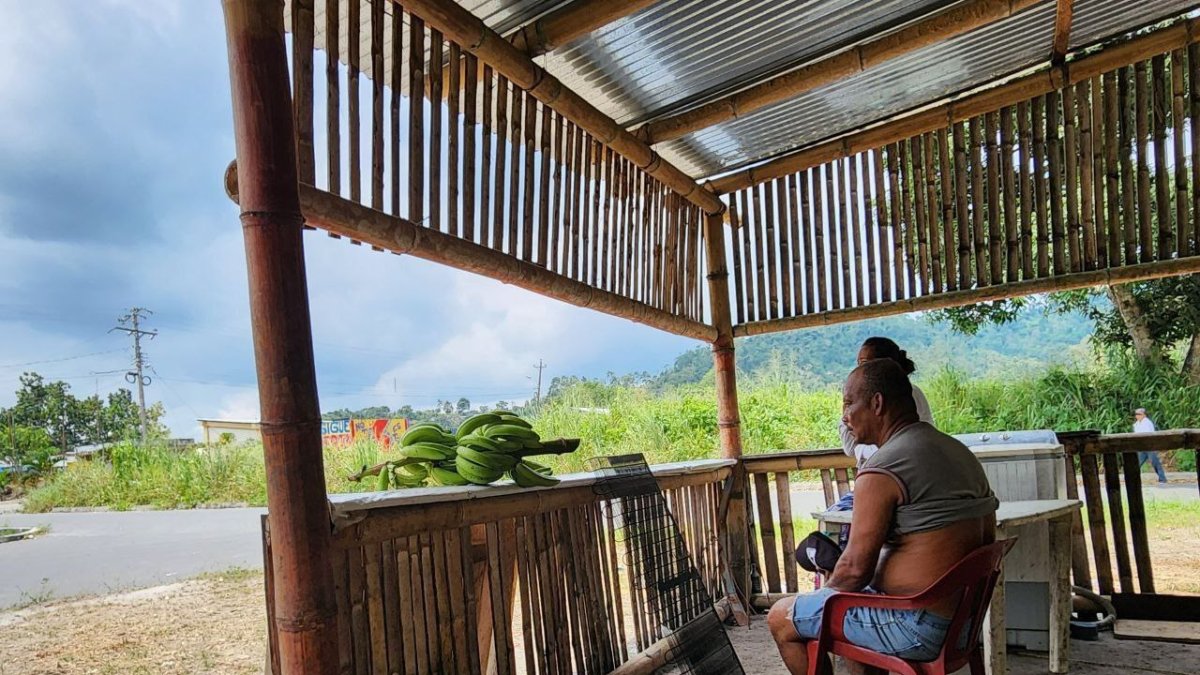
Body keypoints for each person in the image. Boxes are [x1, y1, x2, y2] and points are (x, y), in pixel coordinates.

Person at [769, 359, 998, 674]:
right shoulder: (957, 451)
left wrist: (824, 596)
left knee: (782, 616)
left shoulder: (884, 467)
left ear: (877, 403)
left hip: (916, 625)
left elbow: (855, 569)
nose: (844, 416)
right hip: (964, 621)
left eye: (849, 403)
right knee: (853, 602)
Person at [840, 337, 934, 468]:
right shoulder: (870, 399)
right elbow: (850, 447)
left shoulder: (908, 393)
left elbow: (900, 446)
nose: (859, 370)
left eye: (864, 364)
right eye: (858, 364)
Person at [1133, 407, 1167, 485]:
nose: (1137, 416)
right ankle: (1134, 480)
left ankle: (1162, 479)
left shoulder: (1147, 423)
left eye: (1139, 414)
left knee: (1155, 462)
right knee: (1137, 463)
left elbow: (1148, 434)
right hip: (1141, 447)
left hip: (1150, 446)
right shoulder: (1136, 424)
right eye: (1136, 414)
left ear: (1144, 415)